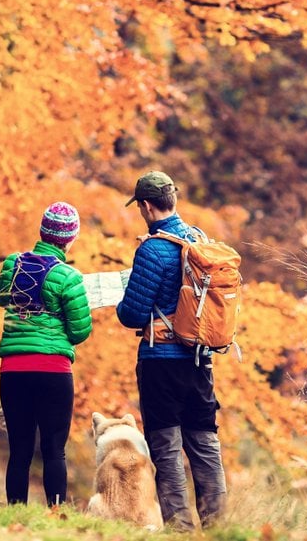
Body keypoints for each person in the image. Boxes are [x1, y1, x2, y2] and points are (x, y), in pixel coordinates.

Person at [116, 171, 228, 530]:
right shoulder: (199, 240)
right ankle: (220, 529)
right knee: (205, 443)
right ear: (174, 199)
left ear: (146, 206)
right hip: (200, 359)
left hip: (161, 363)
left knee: (166, 448)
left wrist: (125, 296)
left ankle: (181, 531)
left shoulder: (152, 249)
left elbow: (132, 312)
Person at [0, 202, 92, 506]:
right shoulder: (69, 277)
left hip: (13, 369)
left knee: (19, 449)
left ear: (41, 232)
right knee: (54, 449)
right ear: (70, 239)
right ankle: (56, 515)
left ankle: (14, 515)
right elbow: (79, 332)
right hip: (53, 371)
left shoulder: (14, 263)